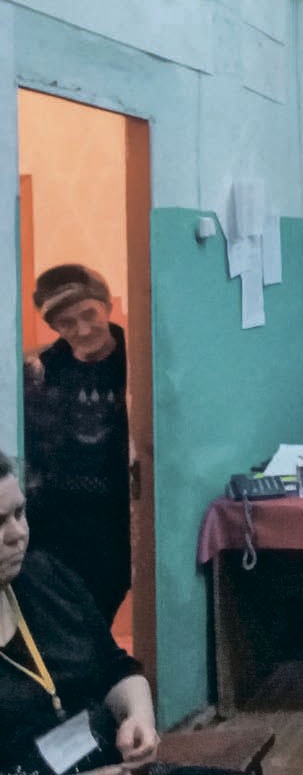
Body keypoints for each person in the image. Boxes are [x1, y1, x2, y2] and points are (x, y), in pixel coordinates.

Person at [0, 450, 159, 775]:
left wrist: (139, 717)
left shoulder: (46, 578)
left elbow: (115, 669)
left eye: (19, 512)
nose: (18, 533)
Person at [22, 264, 131, 623]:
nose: (82, 330)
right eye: (66, 323)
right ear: (54, 327)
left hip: (118, 519)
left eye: (89, 314)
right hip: (56, 523)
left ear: (107, 306)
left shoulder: (138, 361)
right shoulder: (39, 370)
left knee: (100, 613)